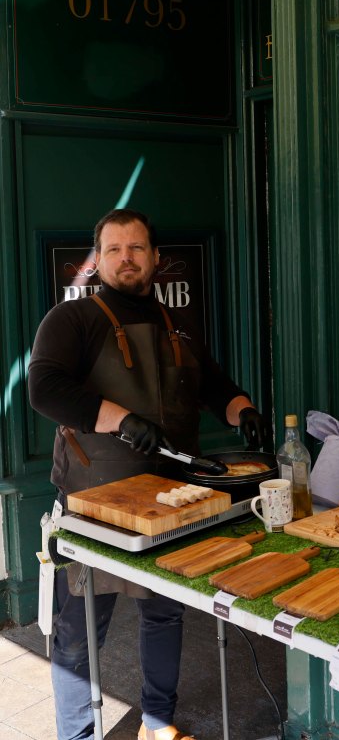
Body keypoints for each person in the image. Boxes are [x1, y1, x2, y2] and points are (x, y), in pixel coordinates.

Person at [28, 209, 269, 740]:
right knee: (78, 633)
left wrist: (242, 409)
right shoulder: (71, 320)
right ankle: (77, 735)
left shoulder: (175, 323)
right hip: (98, 503)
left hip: (173, 500)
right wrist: (120, 419)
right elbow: (43, 388)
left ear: (156, 258)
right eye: (113, 250)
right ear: (98, 260)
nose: (125, 259)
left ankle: (158, 722)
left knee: (165, 614)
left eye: (136, 248)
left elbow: (214, 385)